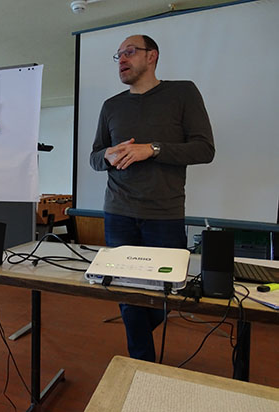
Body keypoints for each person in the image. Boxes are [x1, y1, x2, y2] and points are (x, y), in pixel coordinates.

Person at [90, 35, 215, 361]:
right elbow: (94, 157)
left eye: (130, 52)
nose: (122, 59)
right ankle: (141, 364)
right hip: (118, 212)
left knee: (165, 295)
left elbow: (204, 149)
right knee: (126, 292)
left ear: (152, 56)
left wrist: (153, 149)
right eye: (118, 55)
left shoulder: (183, 93)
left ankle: (140, 356)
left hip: (165, 214)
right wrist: (108, 156)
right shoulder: (111, 106)